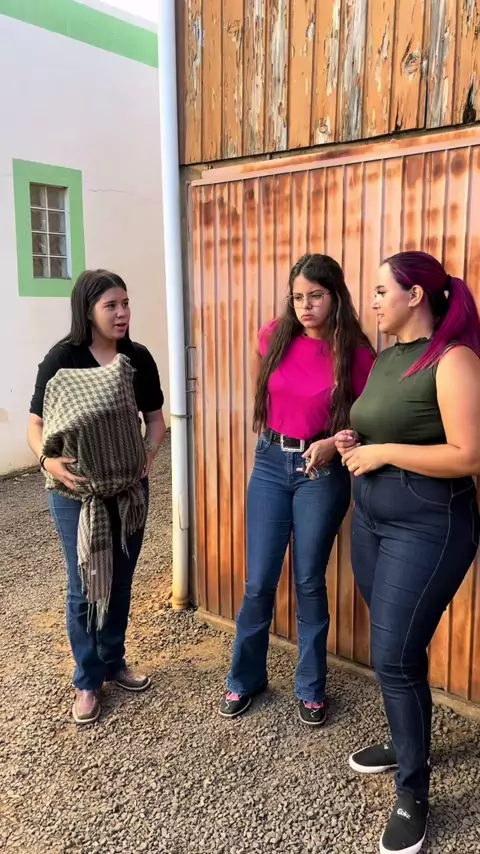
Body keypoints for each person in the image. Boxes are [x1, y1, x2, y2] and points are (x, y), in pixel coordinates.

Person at [335, 251, 480, 854]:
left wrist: (385, 452)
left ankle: (413, 792)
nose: (371, 301)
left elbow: (469, 454)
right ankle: (407, 739)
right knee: (396, 650)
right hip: (371, 519)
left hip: (428, 525)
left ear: (415, 295)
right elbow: (386, 424)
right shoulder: (390, 357)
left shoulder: (454, 360)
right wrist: (354, 438)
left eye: (380, 290)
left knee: (393, 655)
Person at [219, 253, 375, 725]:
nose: (305, 306)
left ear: (335, 296)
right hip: (271, 462)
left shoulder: (356, 354)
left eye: (316, 296)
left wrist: (333, 442)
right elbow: (263, 386)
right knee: (259, 581)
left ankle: (310, 687)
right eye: (298, 297)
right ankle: (245, 678)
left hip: (321, 471)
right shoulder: (274, 336)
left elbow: (367, 421)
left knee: (308, 580)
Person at [27, 270, 166, 726]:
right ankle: (87, 679)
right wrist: (47, 462)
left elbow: (155, 419)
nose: (122, 313)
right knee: (85, 585)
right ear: (87, 310)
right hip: (76, 495)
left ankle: (112, 660)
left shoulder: (137, 359)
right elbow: (36, 426)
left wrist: (148, 455)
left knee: (121, 579)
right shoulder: (62, 360)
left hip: (128, 491)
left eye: (125, 303)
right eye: (111, 306)